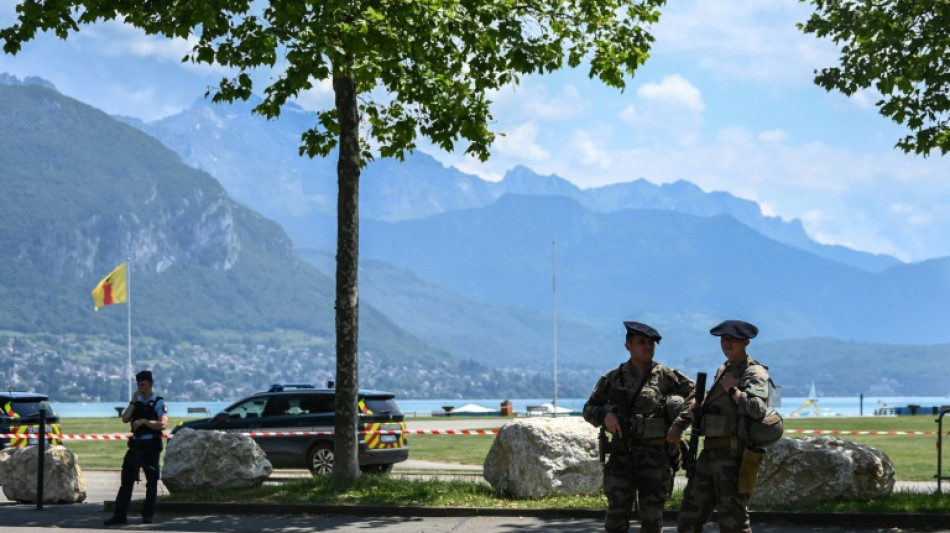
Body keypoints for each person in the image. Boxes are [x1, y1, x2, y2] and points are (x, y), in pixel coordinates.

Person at [583, 321, 696, 533]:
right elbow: (589, 408)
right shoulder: (614, 378)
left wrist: (679, 425)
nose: (647, 347)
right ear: (628, 346)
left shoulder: (664, 375)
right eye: (641, 342)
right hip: (621, 454)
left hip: (655, 456)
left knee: (652, 518)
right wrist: (605, 415)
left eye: (651, 343)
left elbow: (697, 395)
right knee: (616, 516)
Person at [676, 319, 771, 533]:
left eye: (733, 340)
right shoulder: (724, 369)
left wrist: (732, 390)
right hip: (710, 453)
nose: (726, 344)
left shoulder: (754, 372)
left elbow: (757, 408)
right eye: (723, 339)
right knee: (689, 516)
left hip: (733, 456)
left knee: (733, 521)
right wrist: (699, 407)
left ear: (745, 341)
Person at [104, 370, 168, 526]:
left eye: (143, 384)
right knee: (126, 481)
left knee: (151, 481)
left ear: (150, 384)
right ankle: (120, 515)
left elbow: (163, 423)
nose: (140, 387)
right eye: (138, 384)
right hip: (136, 445)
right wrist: (133, 401)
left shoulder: (159, 402)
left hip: (151, 445)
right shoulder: (137, 402)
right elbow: (125, 418)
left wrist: (145, 422)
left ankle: (148, 515)